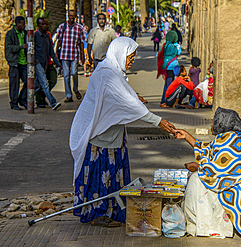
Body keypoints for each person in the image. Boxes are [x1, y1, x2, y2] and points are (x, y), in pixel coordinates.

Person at [70, 37, 176, 226]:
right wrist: (159, 121)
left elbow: (125, 92)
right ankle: (98, 214)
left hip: (113, 135)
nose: (132, 60)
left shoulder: (113, 70)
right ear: (120, 54)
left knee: (112, 177)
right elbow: (127, 102)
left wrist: (136, 96)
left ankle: (112, 211)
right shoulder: (106, 73)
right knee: (101, 176)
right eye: (131, 56)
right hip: (100, 136)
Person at [174, 107, 241, 239]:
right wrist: (187, 136)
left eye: (214, 122)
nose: (211, 125)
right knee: (197, 177)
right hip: (239, 183)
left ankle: (207, 227)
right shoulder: (230, 138)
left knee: (197, 180)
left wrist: (198, 167)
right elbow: (208, 150)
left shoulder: (229, 141)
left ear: (222, 123)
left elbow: (215, 171)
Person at [56, 10, 86, 103]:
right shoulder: (62, 27)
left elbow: (81, 42)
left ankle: (75, 89)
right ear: (68, 16)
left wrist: (82, 55)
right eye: (70, 16)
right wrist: (56, 53)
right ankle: (68, 95)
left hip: (75, 54)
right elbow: (59, 40)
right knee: (66, 75)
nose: (71, 18)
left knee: (74, 72)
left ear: (76, 17)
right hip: (64, 54)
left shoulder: (79, 28)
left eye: (73, 16)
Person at [34, 18, 62, 110]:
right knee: (44, 83)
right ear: (38, 25)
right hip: (38, 63)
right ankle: (53, 102)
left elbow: (51, 50)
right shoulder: (35, 35)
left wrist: (57, 62)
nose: (44, 26)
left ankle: (25, 99)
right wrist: (36, 61)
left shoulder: (47, 36)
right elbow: (31, 49)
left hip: (45, 63)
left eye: (46, 24)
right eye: (42, 24)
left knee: (37, 85)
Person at [5, 16, 28, 110]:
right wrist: (21, 47)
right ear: (17, 24)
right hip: (14, 62)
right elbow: (9, 47)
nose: (24, 25)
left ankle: (22, 99)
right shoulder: (10, 33)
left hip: (24, 62)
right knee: (14, 84)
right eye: (22, 23)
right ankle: (14, 103)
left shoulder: (25, 33)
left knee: (29, 81)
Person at [157, 31, 181, 107]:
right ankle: (165, 101)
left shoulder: (165, 45)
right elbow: (179, 52)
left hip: (166, 67)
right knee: (169, 85)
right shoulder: (176, 46)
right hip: (173, 67)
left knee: (167, 83)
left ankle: (166, 100)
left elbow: (158, 53)